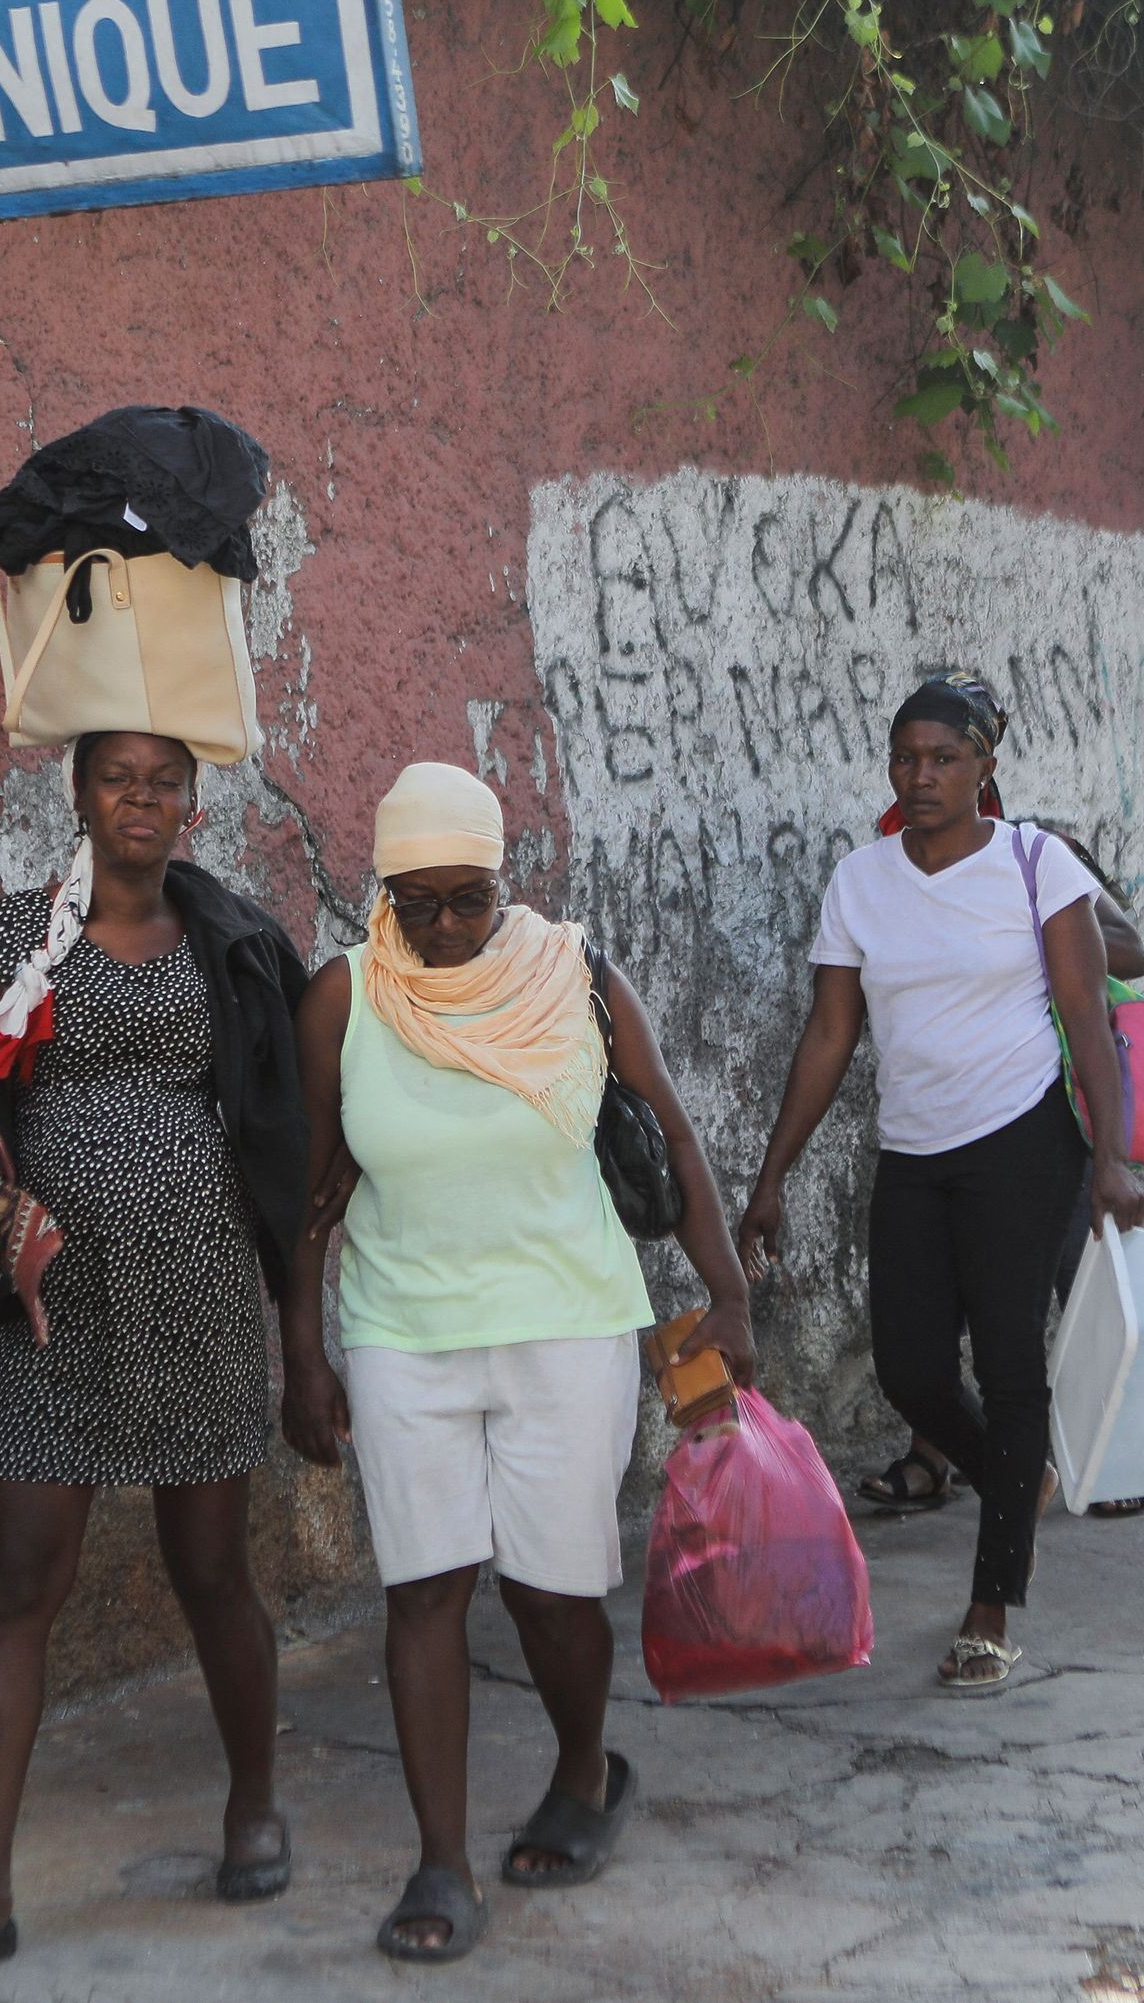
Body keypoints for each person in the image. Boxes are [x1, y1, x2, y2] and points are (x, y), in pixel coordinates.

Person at [0, 730, 312, 1970]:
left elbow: (283, 1114)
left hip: (197, 1297)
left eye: (164, 778)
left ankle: (252, 1801)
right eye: (118, 776)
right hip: (50, 1310)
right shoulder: (12, 938)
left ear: (192, 803)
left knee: (211, 1569)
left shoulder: (233, 941)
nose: (141, 796)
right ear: (81, 794)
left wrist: (300, 1326)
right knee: (18, 1580)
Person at [278, 762, 755, 1966]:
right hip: (401, 1331)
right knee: (423, 1587)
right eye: (413, 901)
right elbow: (308, 1194)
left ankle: (585, 1771)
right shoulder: (343, 995)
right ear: (380, 890)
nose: (439, 929)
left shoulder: (575, 977)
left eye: (466, 899)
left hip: (566, 1321)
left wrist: (728, 1294)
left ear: (505, 880)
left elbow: (674, 1133)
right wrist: (303, 1349)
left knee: (552, 1588)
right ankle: (438, 1856)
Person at [737, 673, 1144, 1693]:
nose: (920, 776)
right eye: (904, 758)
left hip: (1022, 1142)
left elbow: (1086, 1016)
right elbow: (831, 1032)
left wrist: (1110, 1154)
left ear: (984, 766)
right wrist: (770, 1171)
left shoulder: (1032, 864)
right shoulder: (860, 881)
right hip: (913, 1153)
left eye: (942, 758)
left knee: (1011, 1367)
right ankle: (1019, 1475)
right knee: (911, 1368)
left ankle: (989, 1603)